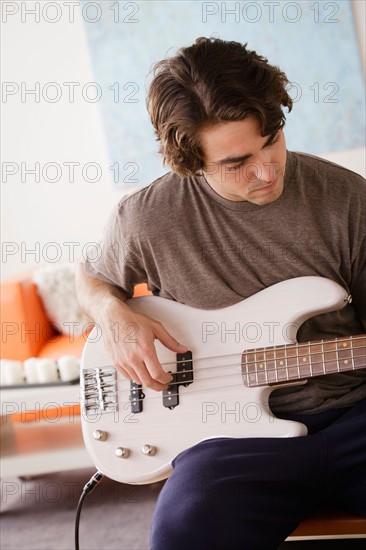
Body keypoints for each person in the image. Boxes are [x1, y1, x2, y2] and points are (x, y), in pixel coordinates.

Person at [76, 37, 366, 549]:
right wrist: (112, 315)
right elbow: (92, 279)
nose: (266, 170)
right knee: (183, 533)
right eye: (236, 163)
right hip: (228, 442)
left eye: (272, 139)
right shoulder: (147, 218)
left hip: (354, 417)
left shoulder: (347, 198)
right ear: (191, 164)